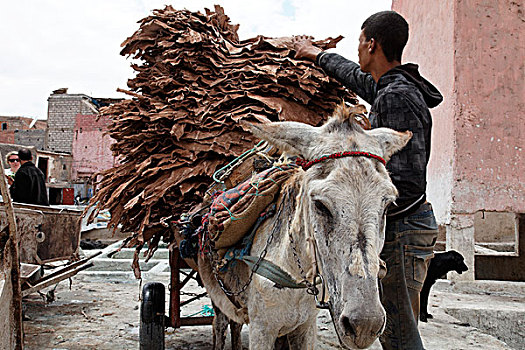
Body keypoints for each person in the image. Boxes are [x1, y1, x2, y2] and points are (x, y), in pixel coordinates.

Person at [293, 11, 443, 350]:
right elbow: (359, 79)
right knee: (396, 330)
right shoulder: (394, 89)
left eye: (359, 42)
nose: (358, 49)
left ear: (371, 44)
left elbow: (401, 182)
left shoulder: (394, 97)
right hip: (411, 224)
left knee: (397, 333)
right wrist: (317, 55)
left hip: (402, 229)